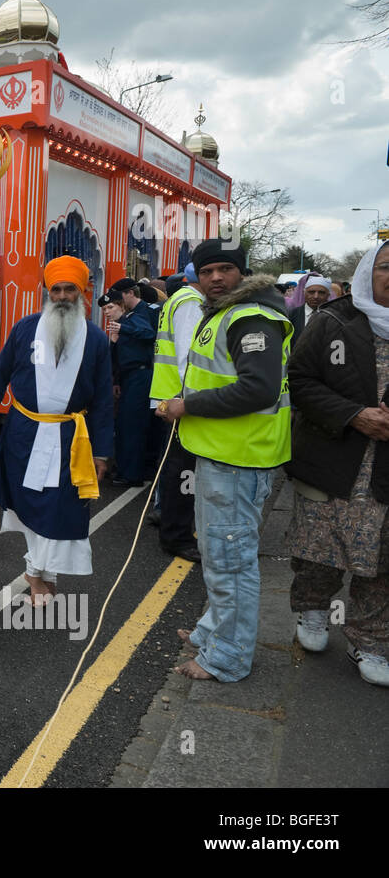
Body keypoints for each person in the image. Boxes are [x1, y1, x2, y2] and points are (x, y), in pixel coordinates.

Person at [158, 240, 292, 682]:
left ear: (242, 273)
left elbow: (258, 389)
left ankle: (227, 658)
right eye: (207, 270)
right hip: (221, 456)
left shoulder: (252, 317)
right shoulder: (226, 313)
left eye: (225, 269)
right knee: (219, 558)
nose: (216, 278)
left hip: (239, 459)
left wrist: (187, 406)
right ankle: (213, 631)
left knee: (231, 563)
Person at [0, 255, 115, 605]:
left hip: (70, 439)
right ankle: (42, 574)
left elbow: (105, 402)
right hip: (24, 433)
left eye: (70, 290)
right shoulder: (23, 329)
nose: (62, 296)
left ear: (82, 293)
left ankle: (35, 572)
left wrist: (102, 451)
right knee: (29, 506)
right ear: (47, 292)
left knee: (59, 507)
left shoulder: (95, 340)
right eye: (56, 290)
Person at [284, 243, 389, 686]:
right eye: (386, 268)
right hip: (334, 456)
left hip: (383, 472)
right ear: (368, 273)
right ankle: (312, 612)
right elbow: (301, 380)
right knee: (319, 549)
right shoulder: (334, 321)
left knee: (381, 559)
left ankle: (370, 638)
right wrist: (353, 415)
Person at [149, 260, 205, 562]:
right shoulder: (192, 303)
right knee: (182, 471)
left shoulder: (179, 299)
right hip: (177, 399)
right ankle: (177, 536)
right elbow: (188, 356)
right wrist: (189, 400)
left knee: (174, 468)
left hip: (168, 396)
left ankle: (170, 523)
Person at [101, 277, 158, 487]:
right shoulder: (120, 325)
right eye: (105, 309)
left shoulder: (133, 319)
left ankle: (132, 474)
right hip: (127, 378)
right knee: (125, 425)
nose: (107, 312)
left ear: (121, 305)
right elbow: (115, 357)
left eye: (110, 307)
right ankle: (126, 470)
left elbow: (148, 333)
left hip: (140, 376)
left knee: (133, 426)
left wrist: (123, 330)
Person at [287, 275, 331, 340]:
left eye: (321, 293)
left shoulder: (333, 317)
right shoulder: (291, 315)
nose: (316, 296)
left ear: (328, 295)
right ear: (304, 293)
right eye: (311, 292)